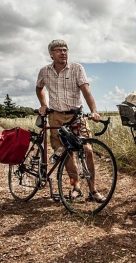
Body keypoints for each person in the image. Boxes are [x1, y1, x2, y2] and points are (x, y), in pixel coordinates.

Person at [36, 39, 106, 203]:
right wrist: (43, 104)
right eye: (59, 50)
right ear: (51, 54)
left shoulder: (76, 68)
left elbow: (86, 91)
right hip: (56, 117)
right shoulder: (44, 71)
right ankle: (76, 186)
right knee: (66, 156)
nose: (63, 53)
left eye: (65, 50)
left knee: (87, 150)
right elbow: (39, 88)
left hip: (76, 115)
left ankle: (93, 190)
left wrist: (94, 111)